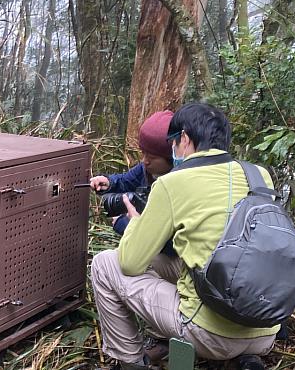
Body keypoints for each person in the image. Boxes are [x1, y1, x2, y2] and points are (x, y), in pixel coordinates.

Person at [90, 102, 278, 370]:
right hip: (266, 325)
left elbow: (130, 263)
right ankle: (238, 355)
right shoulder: (259, 175)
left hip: (212, 334)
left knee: (105, 264)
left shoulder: (173, 182)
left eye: (173, 143)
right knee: (167, 261)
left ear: (185, 139)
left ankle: (131, 363)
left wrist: (132, 224)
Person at [89, 110, 174, 235]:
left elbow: (162, 238)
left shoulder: (177, 186)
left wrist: (123, 224)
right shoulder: (145, 170)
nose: (145, 161)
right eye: (143, 153)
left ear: (171, 157)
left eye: (152, 157)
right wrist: (109, 182)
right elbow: (125, 181)